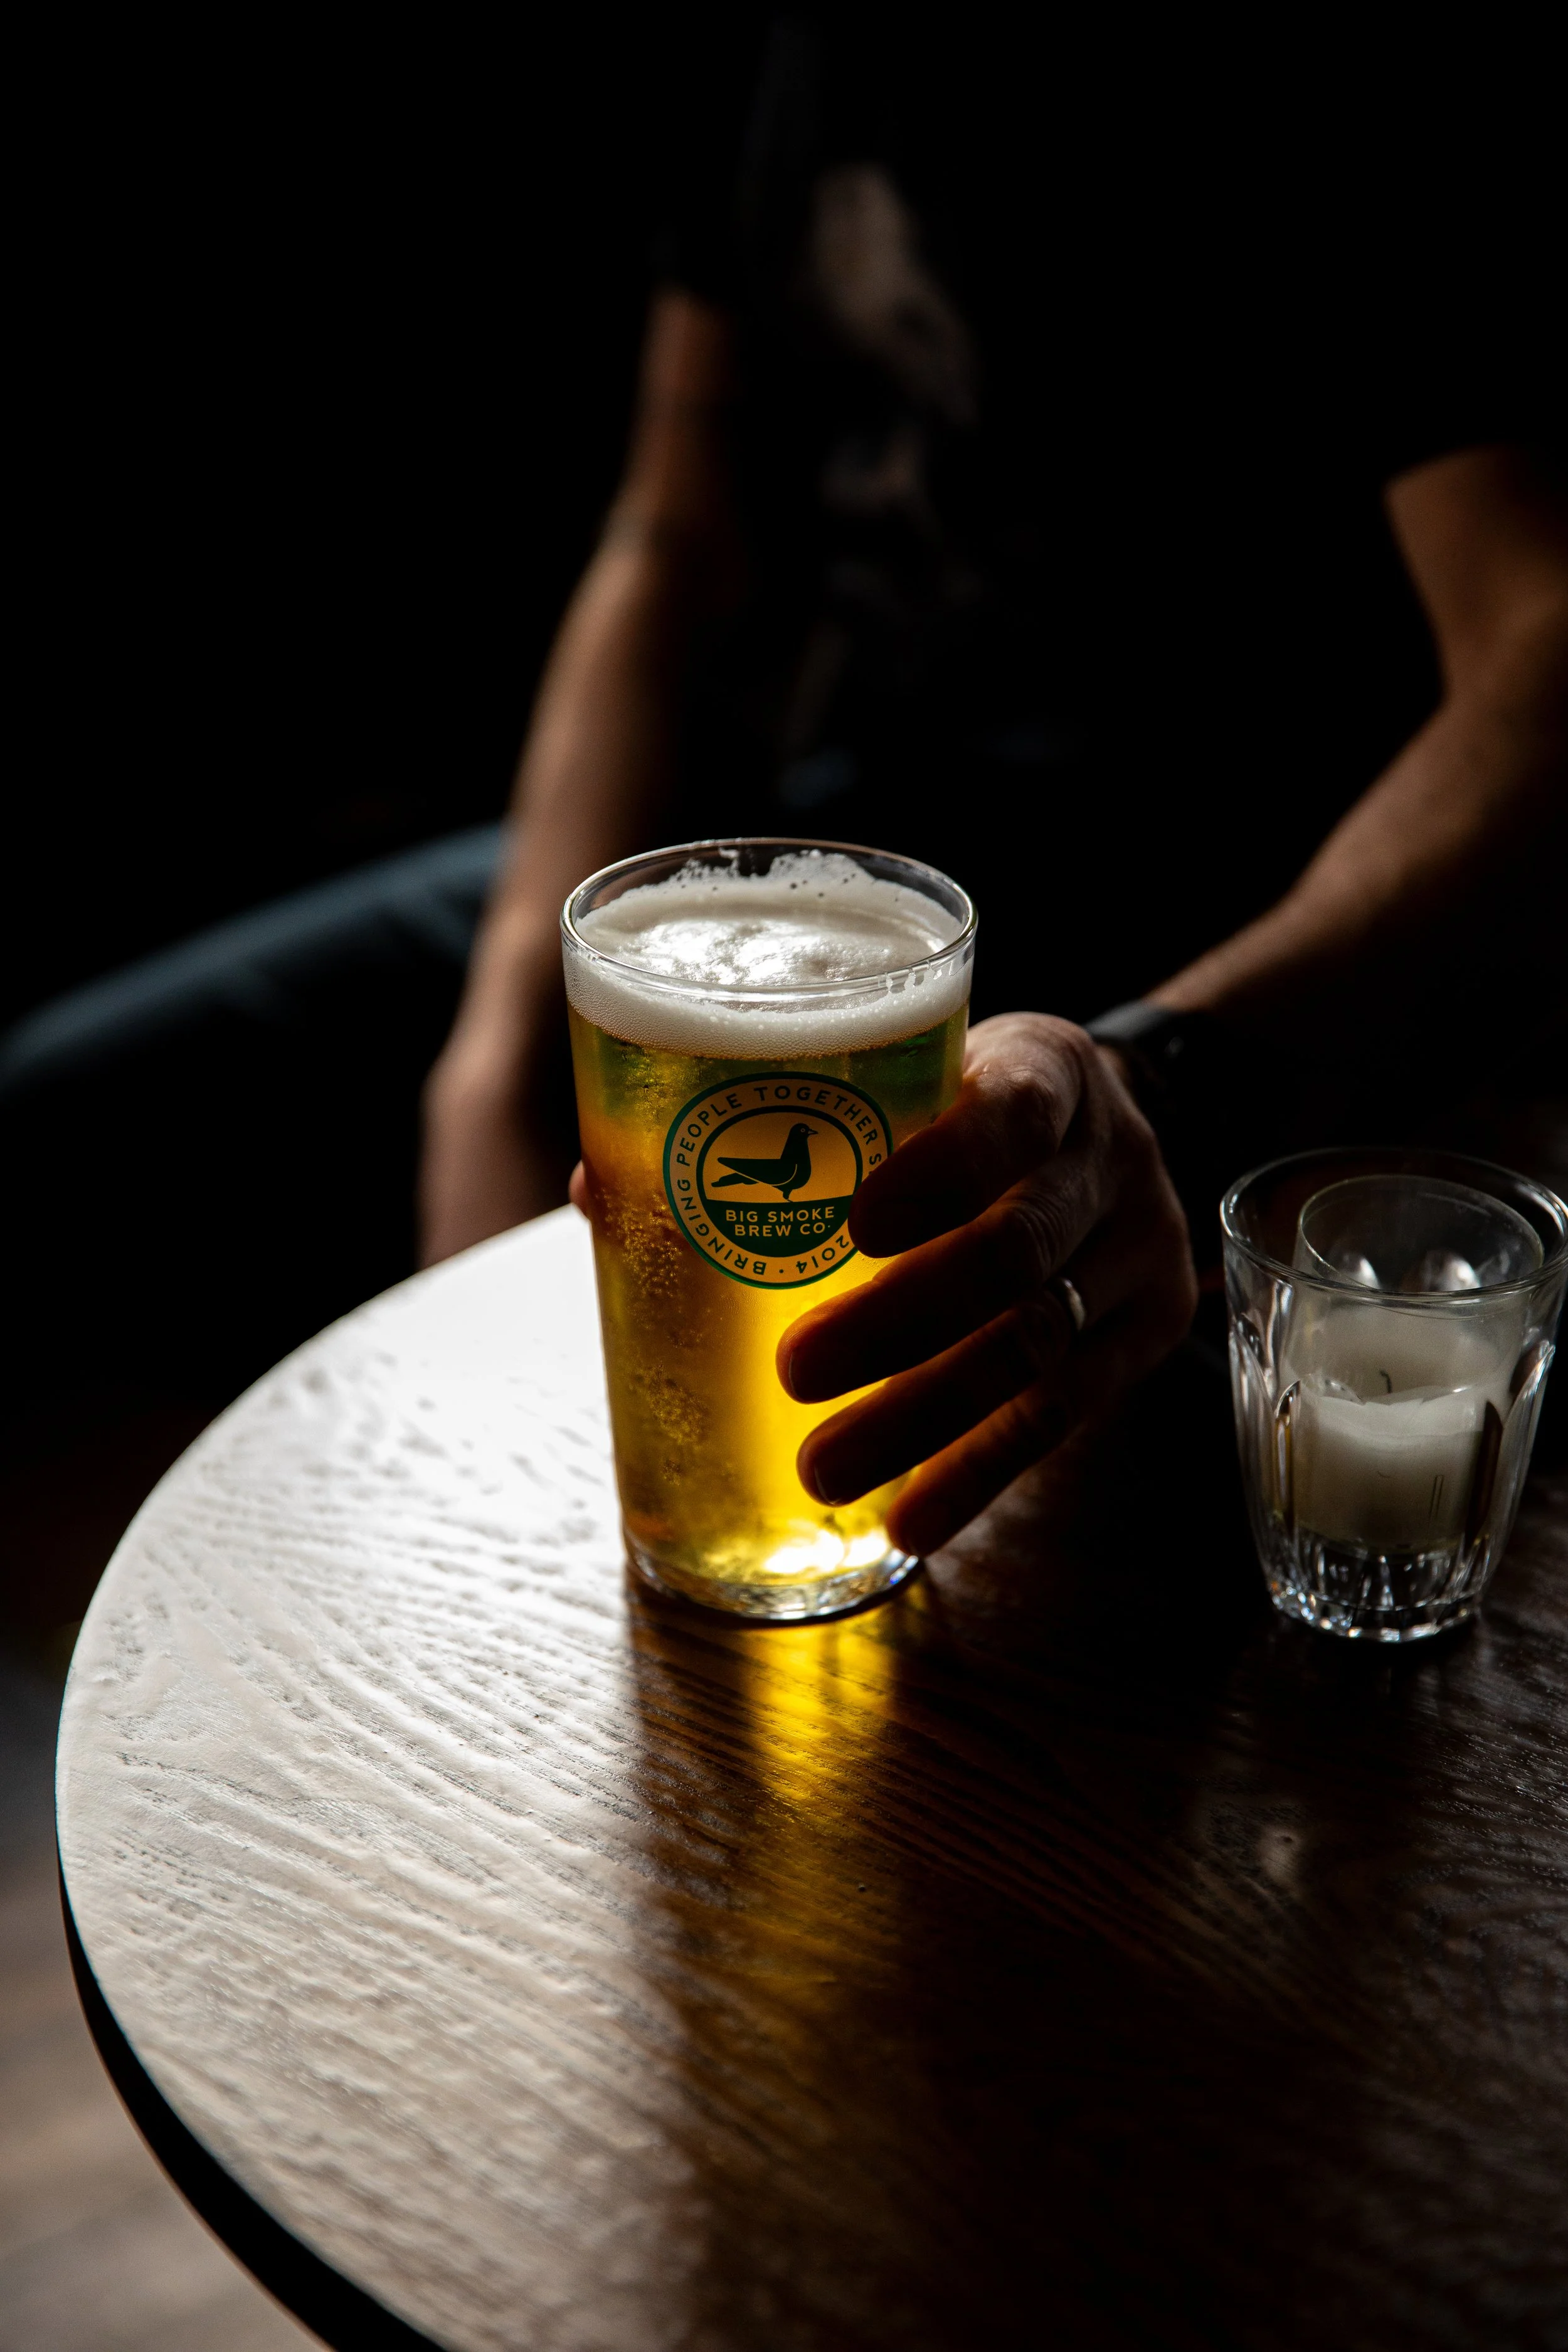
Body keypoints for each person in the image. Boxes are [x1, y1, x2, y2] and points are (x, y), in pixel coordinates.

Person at [3, 17, 1564, 1569]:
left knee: (1027, 1596)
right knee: (59, 1131)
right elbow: (678, 541)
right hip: (812, 879)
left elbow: (1542, 655)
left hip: (1233, 924)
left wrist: (1176, 1078)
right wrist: (490, 1069)